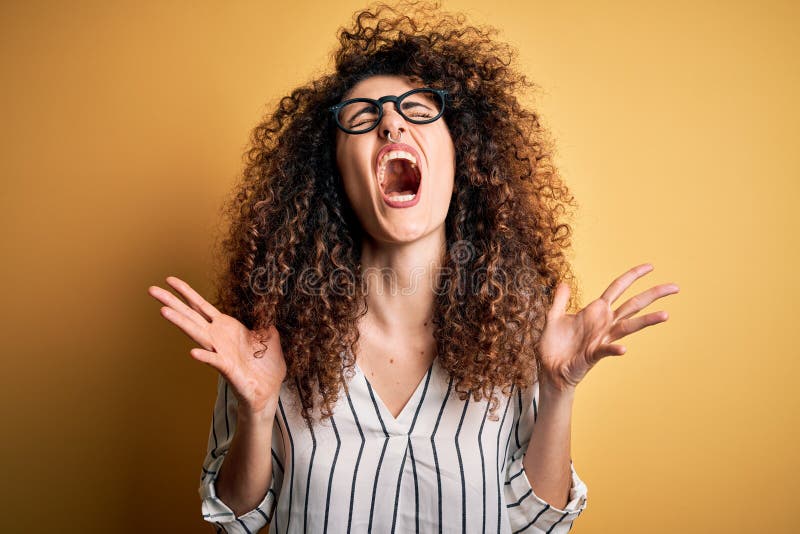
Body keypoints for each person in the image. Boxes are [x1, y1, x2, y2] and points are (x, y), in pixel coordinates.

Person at [148, 1, 679, 532]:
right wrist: (258, 410)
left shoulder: (520, 329)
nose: (391, 123)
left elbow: (533, 520)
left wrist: (558, 388)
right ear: (334, 172)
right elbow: (236, 520)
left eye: (418, 110)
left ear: (461, 154)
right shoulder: (271, 336)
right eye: (362, 117)